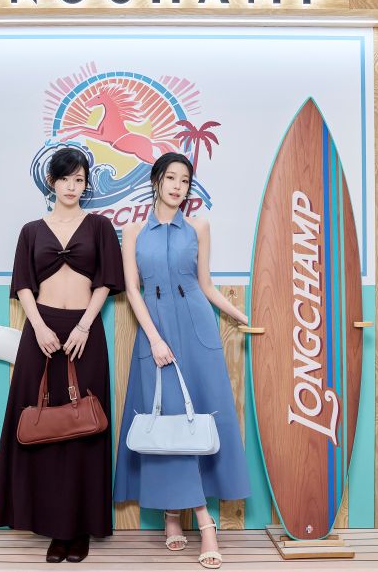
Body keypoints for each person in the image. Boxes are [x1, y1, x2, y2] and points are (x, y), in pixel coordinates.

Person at [113, 152, 251, 569]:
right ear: (156, 180)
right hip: (155, 333)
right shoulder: (132, 231)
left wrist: (240, 316)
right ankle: (204, 524)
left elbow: (205, 284)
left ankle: (174, 517)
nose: (177, 186)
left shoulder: (199, 227)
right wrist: (154, 338)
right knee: (167, 420)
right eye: (171, 177)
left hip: (197, 329)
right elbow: (133, 290)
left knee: (198, 419)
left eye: (185, 180)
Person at [0, 146, 124, 564]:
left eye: (79, 179)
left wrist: (84, 325)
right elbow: (23, 284)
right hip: (41, 331)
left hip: (85, 332)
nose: (72, 186)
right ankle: (52, 527)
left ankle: (79, 529)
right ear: (52, 182)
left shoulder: (99, 226)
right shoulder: (31, 230)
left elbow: (106, 281)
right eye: (65, 178)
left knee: (85, 424)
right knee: (42, 422)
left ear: (87, 184)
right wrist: (39, 327)